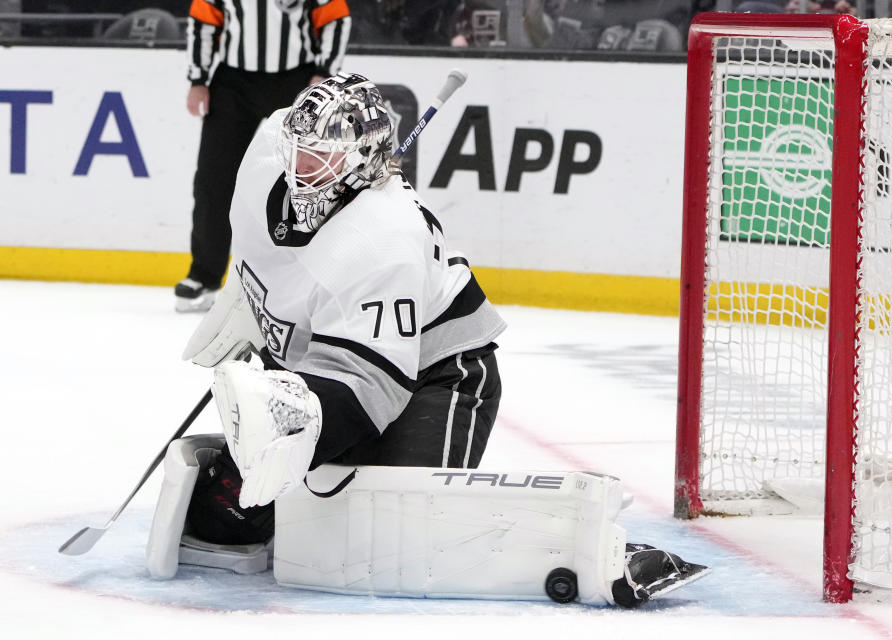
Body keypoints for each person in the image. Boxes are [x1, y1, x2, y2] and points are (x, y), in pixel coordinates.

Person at [151, 73, 707, 607]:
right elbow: (276, 244)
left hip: (438, 374)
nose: (300, 167)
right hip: (338, 350)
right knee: (236, 518)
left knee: (401, 540)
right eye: (299, 149)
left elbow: (372, 386)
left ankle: (577, 547)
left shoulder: (383, 239)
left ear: (360, 165)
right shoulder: (268, 148)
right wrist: (254, 303)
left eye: (320, 158)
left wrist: (292, 427)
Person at [175, 0, 352, 312]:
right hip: (233, 82)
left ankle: (306, 278)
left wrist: (325, 71)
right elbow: (203, 20)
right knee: (213, 178)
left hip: (296, 80)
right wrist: (198, 80)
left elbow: (335, 16)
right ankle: (204, 274)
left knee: (305, 180)